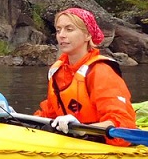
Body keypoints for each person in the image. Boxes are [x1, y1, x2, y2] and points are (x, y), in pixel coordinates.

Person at [34, 7, 137, 137]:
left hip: (99, 141)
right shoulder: (57, 71)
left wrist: (82, 129)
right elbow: (48, 113)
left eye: (69, 29)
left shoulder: (101, 71)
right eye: (58, 30)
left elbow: (123, 124)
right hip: (72, 138)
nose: (61, 35)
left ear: (88, 35)